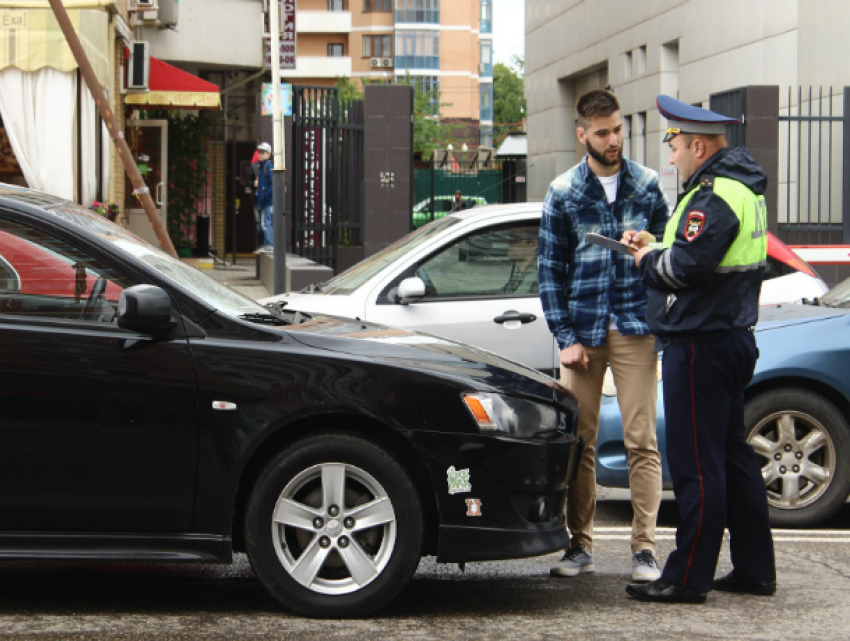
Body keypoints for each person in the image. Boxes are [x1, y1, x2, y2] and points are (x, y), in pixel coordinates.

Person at [624, 95, 776, 604]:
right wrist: (655, 242)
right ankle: (755, 569)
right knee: (734, 458)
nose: (671, 158)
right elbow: (702, 254)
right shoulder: (742, 189)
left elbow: (685, 269)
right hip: (732, 337)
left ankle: (687, 577)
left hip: (701, 344)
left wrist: (646, 259)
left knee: (696, 466)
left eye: (673, 147)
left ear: (696, 145)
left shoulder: (713, 194)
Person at [538, 89, 669, 582]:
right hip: (584, 333)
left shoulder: (648, 185)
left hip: (636, 327)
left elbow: (671, 249)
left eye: (617, 130)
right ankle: (580, 546)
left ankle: (645, 550)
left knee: (642, 440)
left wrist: (649, 243)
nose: (613, 140)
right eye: (602, 133)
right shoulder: (564, 191)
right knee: (580, 441)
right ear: (582, 135)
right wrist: (564, 336)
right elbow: (550, 270)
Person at [254, 142, 274, 251]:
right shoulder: (262, 167)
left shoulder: (268, 165)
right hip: (264, 201)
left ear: (268, 154)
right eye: (259, 153)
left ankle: (269, 244)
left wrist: (266, 196)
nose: (260, 155)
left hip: (267, 202)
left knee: (266, 223)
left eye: (263, 153)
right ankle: (268, 244)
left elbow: (273, 182)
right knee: (264, 223)